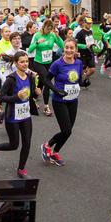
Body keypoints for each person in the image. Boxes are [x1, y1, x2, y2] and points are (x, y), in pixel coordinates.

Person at [0, 50, 38, 178]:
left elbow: (31, 94)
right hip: (12, 116)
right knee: (14, 145)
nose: (25, 64)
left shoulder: (30, 77)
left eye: (27, 61)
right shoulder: (11, 79)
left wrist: (36, 93)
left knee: (27, 142)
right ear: (16, 63)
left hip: (25, 115)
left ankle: (21, 169)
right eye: (22, 62)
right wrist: (16, 97)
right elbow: (1, 97)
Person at [41, 38, 84, 167]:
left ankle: (55, 152)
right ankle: (47, 145)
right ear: (63, 48)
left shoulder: (79, 63)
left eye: (72, 48)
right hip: (59, 101)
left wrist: (84, 82)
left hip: (73, 100)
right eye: (67, 47)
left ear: (76, 49)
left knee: (69, 131)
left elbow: (79, 80)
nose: (69, 50)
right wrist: (56, 90)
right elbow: (46, 80)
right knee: (65, 130)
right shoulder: (57, 64)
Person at [28, 18, 64, 116]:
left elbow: (62, 46)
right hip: (38, 62)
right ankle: (46, 106)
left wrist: (58, 36)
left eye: (51, 29)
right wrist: (37, 43)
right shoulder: (37, 35)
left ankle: (33, 98)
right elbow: (30, 50)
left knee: (41, 84)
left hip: (49, 62)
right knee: (47, 81)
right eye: (48, 29)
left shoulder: (52, 35)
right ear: (43, 27)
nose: (49, 31)